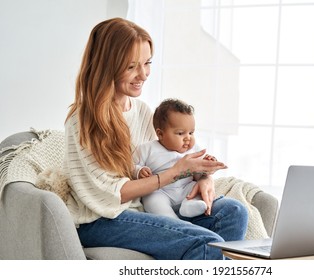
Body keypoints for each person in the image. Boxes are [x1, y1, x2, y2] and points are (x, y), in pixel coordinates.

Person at [63, 17, 248, 260]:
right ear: (106, 66)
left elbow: (166, 158)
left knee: (234, 211)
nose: (143, 74)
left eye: (147, 63)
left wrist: (204, 177)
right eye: (131, 67)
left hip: (145, 207)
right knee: (207, 242)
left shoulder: (141, 112)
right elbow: (109, 195)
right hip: (102, 219)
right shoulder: (82, 119)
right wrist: (176, 172)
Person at [134, 98, 222, 219]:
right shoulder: (147, 148)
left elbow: (200, 172)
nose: (188, 138)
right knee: (151, 199)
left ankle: (189, 206)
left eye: (191, 133)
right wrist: (139, 171)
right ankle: (171, 220)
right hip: (161, 191)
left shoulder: (194, 149)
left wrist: (207, 163)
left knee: (197, 189)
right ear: (160, 134)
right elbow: (130, 166)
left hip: (186, 188)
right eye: (180, 133)